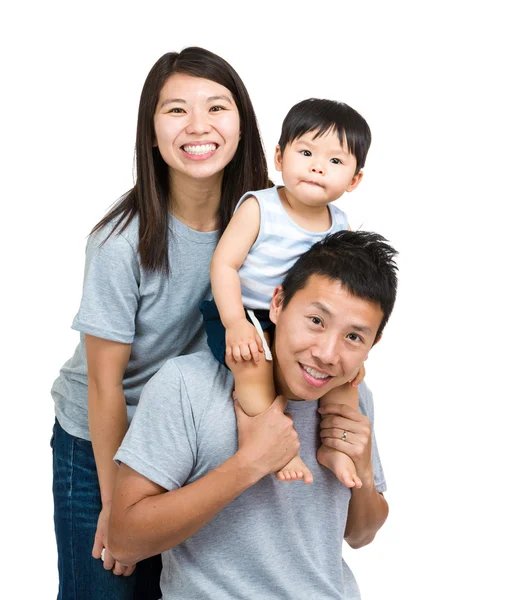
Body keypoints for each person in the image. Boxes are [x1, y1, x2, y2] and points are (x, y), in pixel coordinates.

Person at [50, 46, 269, 600]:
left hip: (186, 440)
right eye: (176, 110)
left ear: (242, 123)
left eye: (217, 107)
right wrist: (116, 507)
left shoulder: (265, 226)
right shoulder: (120, 243)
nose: (199, 126)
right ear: (151, 132)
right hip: (102, 438)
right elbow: (104, 386)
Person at [109, 230, 398, 600]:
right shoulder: (187, 384)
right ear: (277, 303)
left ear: (373, 344)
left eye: (354, 338)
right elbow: (123, 541)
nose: (327, 353)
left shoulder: (353, 398)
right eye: (316, 321)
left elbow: (360, 536)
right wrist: (249, 464)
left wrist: (364, 473)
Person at [201, 98, 371, 487]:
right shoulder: (260, 207)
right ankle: (262, 434)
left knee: (347, 381)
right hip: (244, 312)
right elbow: (223, 265)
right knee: (253, 365)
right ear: (279, 156)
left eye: (334, 161)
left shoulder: (339, 226)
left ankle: (337, 448)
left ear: (354, 180)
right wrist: (234, 323)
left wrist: (348, 352)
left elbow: (342, 294)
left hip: (298, 323)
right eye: (306, 152)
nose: (316, 166)